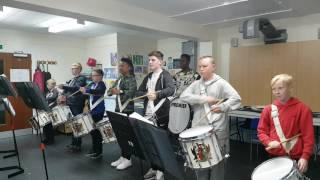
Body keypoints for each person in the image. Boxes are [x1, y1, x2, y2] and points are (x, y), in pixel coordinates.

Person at [180, 56, 241, 180]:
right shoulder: (196, 84)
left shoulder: (221, 83)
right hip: (198, 131)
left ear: (213, 67)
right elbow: (183, 96)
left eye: (205, 66)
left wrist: (223, 107)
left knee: (217, 165)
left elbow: (237, 99)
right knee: (201, 164)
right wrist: (204, 99)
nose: (201, 69)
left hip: (217, 130)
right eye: (200, 67)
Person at [257, 74, 314, 174]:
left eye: (280, 88)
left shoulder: (303, 109)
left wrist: (305, 157)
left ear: (290, 88)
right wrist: (269, 142)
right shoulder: (268, 109)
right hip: (274, 157)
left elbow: (308, 136)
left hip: (296, 157)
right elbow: (261, 132)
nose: (277, 92)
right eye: (274, 89)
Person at [136, 50, 175, 180]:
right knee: (150, 144)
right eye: (149, 60)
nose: (150, 62)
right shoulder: (148, 77)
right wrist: (144, 93)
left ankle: (161, 171)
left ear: (161, 62)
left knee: (160, 145)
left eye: (153, 60)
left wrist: (157, 94)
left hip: (161, 115)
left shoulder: (165, 75)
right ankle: (153, 167)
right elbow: (139, 92)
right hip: (147, 115)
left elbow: (171, 89)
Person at [108, 57, 137, 170]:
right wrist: (113, 91)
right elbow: (109, 90)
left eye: (122, 65)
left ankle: (128, 159)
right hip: (117, 110)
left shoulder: (132, 79)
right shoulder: (119, 78)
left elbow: (130, 94)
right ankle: (123, 156)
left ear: (128, 67)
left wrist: (119, 91)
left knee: (127, 136)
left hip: (127, 111)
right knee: (120, 136)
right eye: (119, 65)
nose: (119, 67)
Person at [59, 63, 87, 152]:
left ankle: (77, 144)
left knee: (77, 123)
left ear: (79, 69)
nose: (73, 70)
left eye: (75, 68)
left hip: (77, 104)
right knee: (73, 124)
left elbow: (76, 88)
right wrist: (62, 94)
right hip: (71, 103)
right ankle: (74, 143)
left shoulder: (82, 78)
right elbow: (67, 90)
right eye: (72, 69)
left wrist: (63, 86)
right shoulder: (72, 79)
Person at [79, 69, 106, 159]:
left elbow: (98, 92)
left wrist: (86, 90)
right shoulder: (93, 85)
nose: (92, 77)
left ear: (100, 76)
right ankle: (94, 149)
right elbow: (90, 96)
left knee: (96, 132)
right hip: (92, 111)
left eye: (94, 75)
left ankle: (98, 151)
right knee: (92, 131)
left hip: (98, 111)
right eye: (92, 75)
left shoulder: (102, 85)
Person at [42, 79, 58, 145]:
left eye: (53, 83)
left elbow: (54, 97)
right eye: (51, 84)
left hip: (52, 110)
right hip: (46, 110)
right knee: (45, 126)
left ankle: (51, 140)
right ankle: (47, 139)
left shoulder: (55, 91)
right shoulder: (47, 92)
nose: (53, 85)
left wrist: (44, 99)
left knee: (49, 126)